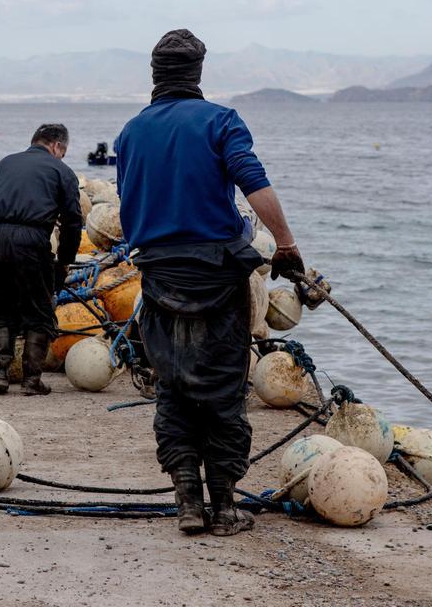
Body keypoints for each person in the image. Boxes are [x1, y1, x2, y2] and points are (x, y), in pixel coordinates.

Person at [114, 29, 306, 537]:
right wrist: (285, 244)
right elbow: (253, 181)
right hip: (217, 277)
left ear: (155, 73)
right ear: (198, 72)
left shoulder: (130, 133)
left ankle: (186, 506)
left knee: (173, 388)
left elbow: (129, 211)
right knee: (222, 392)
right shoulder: (221, 121)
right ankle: (223, 509)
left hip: (158, 277)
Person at [0, 124, 83, 396]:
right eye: (63, 152)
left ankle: (1, 373)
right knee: (39, 311)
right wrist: (64, 260)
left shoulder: (4, 164)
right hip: (30, 240)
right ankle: (31, 379)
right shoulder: (61, 171)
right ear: (57, 146)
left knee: (0, 308)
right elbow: (73, 221)